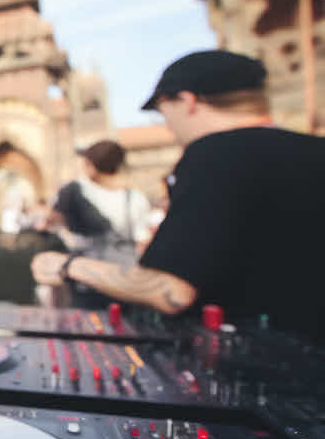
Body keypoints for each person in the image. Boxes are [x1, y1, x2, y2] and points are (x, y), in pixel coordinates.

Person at [32, 50, 325, 339]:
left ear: (187, 101)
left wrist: (66, 265)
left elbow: (171, 289)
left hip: (260, 366)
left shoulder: (216, 153)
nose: (167, 126)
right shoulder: (314, 151)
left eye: (162, 111)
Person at [47, 139, 150, 308]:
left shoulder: (75, 190)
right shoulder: (136, 198)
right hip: (123, 280)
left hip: (87, 279)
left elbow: (51, 220)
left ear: (90, 165)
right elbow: (141, 241)